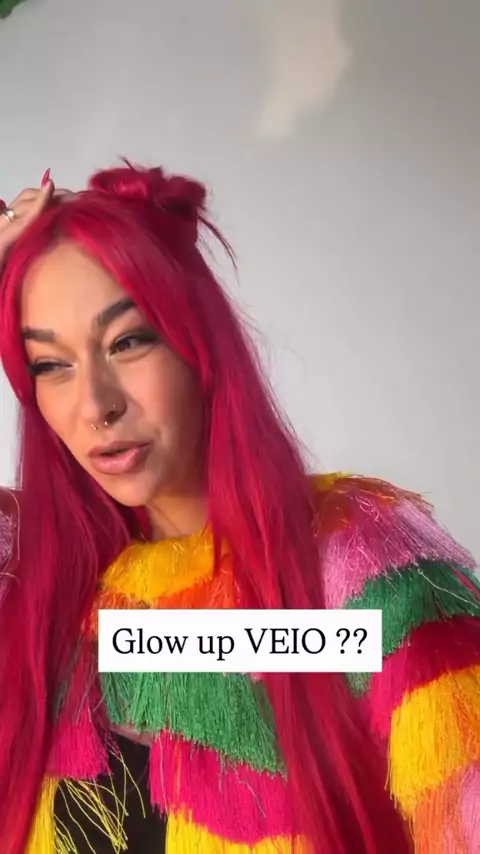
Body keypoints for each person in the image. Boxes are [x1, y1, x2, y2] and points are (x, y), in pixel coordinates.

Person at [0, 163, 479, 854]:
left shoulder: (361, 560)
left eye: (128, 342)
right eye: (51, 365)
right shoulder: (42, 583)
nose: (96, 405)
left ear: (197, 341)